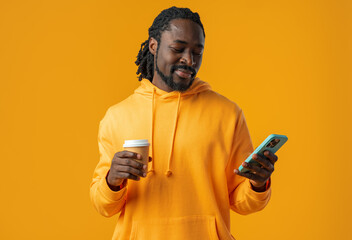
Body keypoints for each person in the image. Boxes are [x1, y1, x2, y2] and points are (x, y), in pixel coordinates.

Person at [90, 6, 278, 240]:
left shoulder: (228, 114)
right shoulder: (117, 116)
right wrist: (112, 180)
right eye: (178, 49)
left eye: (197, 52)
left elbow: (242, 202)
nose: (189, 60)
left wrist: (258, 185)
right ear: (153, 45)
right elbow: (103, 205)